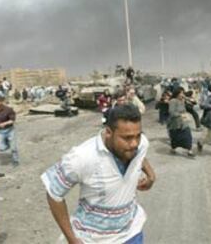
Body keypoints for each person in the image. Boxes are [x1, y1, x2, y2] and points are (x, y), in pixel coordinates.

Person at [41, 104, 156, 244]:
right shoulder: (82, 157)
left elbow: (139, 155)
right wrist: (72, 239)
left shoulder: (140, 144)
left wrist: (150, 175)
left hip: (132, 233)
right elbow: (54, 193)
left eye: (138, 136)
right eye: (127, 138)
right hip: (93, 239)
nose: (134, 143)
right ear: (108, 132)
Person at [167, 88, 195, 157]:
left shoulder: (182, 100)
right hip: (175, 123)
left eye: (183, 93)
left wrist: (189, 100)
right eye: (181, 93)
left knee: (187, 135)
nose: (182, 95)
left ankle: (189, 150)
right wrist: (180, 115)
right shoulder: (173, 101)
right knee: (175, 137)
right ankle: (173, 148)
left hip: (183, 122)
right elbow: (171, 112)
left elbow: (185, 110)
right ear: (177, 94)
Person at [0, 96, 19, 166]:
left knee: (13, 148)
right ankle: (8, 143)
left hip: (10, 130)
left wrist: (4, 123)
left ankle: (15, 160)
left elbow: (12, 120)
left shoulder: (9, 109)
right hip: (0, 131)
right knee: (1, 148)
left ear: (1, 102)